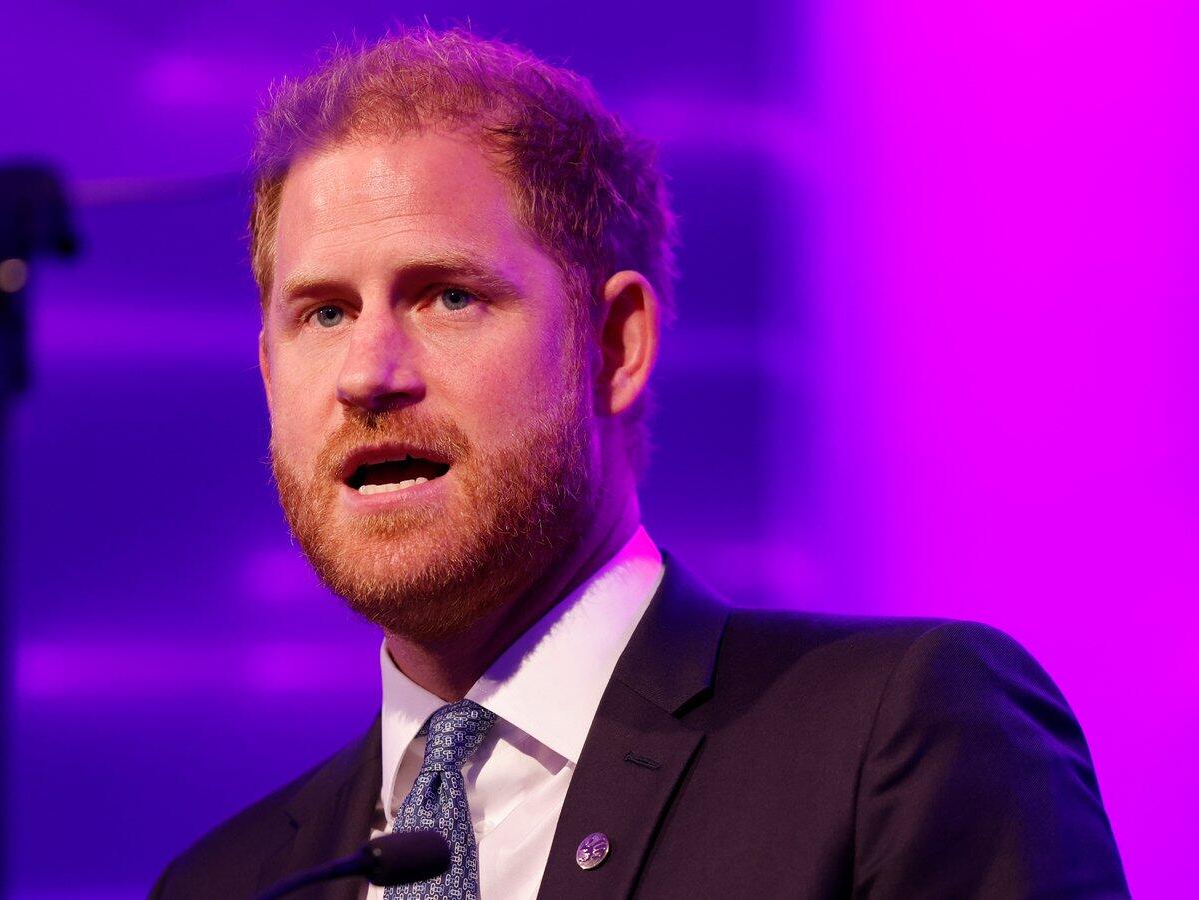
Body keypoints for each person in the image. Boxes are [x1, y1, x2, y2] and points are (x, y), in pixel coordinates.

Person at [153, 26, 1127, 900]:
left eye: (448, 296)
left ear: (614, 344)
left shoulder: (895, 738)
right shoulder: (229, 885)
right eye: (325, 313)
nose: (368, 372)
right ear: (268, 373)